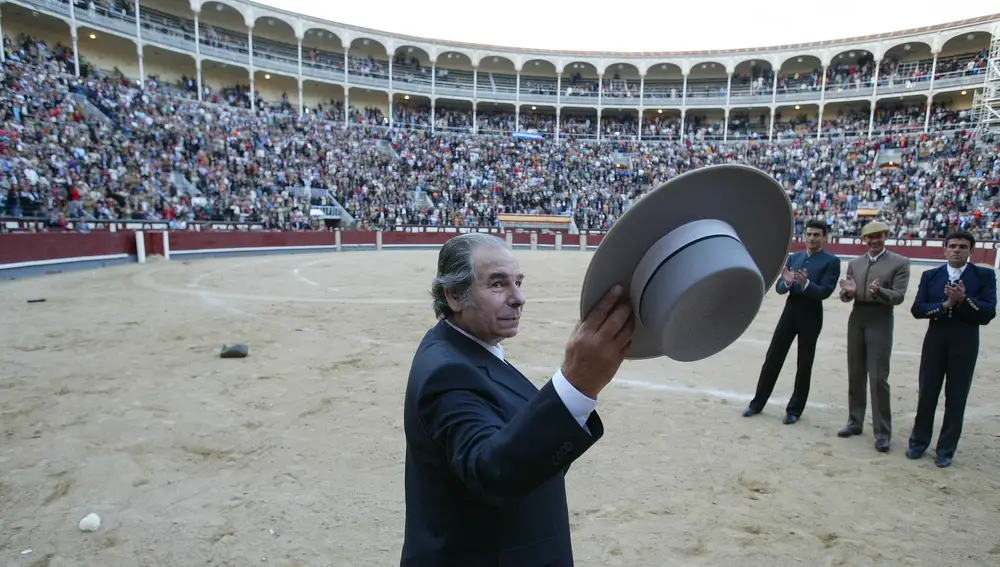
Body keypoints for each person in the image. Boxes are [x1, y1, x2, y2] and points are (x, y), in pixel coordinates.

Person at [399, 233, 635, 567]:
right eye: (498, 284)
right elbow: (491, 472)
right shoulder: (448, 372)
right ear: (454, 295)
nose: (518, 297)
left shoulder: (465, 348)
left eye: (518, 282)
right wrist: (576, 385)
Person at [906, 230, 997, 468]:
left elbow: (988, 313)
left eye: (963, 246)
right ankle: (918, 442)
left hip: (965, 342)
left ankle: (946, 449)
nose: (957, 250)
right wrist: (945, 305)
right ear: (945, 249)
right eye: (953, 245)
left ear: (970, 251)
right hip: (935, 339)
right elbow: (917, 309)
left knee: (956, 397)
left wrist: (964, 300)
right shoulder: (931, 275)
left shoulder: (985, 275)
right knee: (927, 393)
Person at [742, 220, 840, 424]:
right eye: (809, 234)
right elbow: (779, 288)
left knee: (804, 363)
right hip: (790, 311)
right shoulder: (794, 257)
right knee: (773, 357)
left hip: (812, 314)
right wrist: (787, 282)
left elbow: (825, 292)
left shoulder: (831, 261)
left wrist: (806, 284)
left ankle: (795, 410)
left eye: (816, 235)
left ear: (825, 238)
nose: (812, 238)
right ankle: (757, 403)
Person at [836, 221, 911, 452]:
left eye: (878, 237)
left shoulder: (900, 262)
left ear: (885, 236)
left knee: (878, 376)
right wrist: (847, 294)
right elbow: (846, 295)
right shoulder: (855, 264)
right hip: (857, 317)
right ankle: (855, 421)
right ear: (863, 240)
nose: (874, 241)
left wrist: (880, 292)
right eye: (869, 238)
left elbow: (898, 296)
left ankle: (882, 432)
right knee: (856, 372)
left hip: (881, 318)